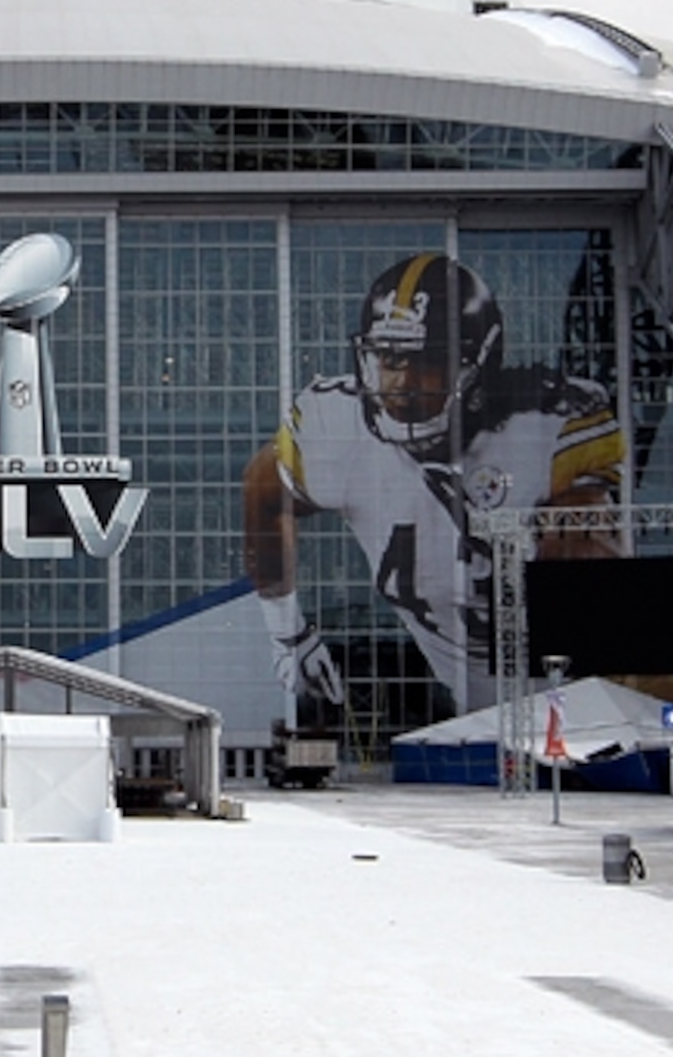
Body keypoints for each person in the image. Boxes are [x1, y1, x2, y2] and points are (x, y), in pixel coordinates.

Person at [243, 253, 623, 715]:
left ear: (479, 365)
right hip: (481, 708)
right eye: (389, 357)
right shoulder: (335, 425)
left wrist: (560, 539)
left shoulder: (548, 424)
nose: (404, 380)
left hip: (587, 690)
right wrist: (288, 632)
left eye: (429, 362)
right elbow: (262, 488)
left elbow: (590, 548)